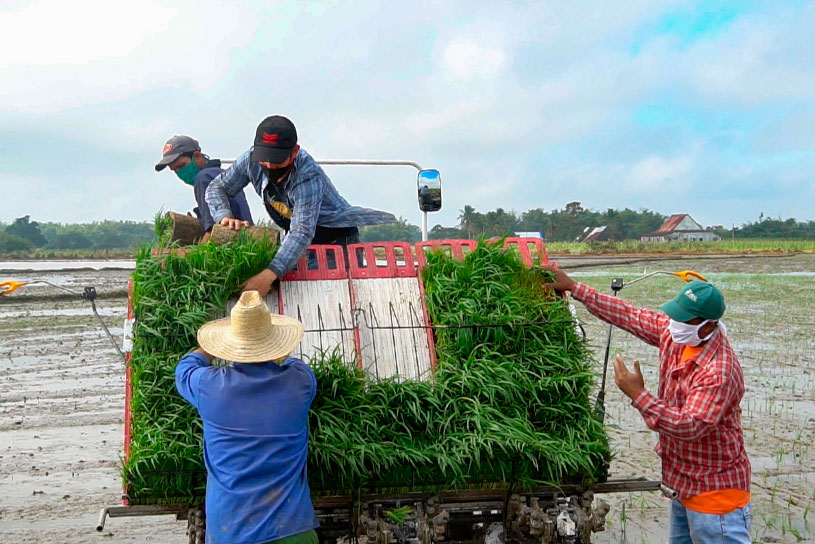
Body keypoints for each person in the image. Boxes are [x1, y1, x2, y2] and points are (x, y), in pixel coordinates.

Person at [543, 269, 751, 544]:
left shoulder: (718, 370)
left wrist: (638, 394)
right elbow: (630, 315)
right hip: (683, 487)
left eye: (683, 319)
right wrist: (575, 288)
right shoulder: (678, 336)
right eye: (674, 315)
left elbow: (689, 425)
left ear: (708, 326)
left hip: (715, 498)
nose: (674, 323)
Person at [175, 290, 318, 544]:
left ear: (231, 345)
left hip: (232, 534)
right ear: (275, 343)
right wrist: (273, 346)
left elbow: (184, 370)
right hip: (294, 531)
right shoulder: (300, 383)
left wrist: (211, 347)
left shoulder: (209, 387)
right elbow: (294, 363)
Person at [206, 115, 395, 296]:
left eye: (277, 160)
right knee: (295, 293)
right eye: (265, 159)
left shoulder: (307, 174)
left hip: (334, 239)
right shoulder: (250, 159)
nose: (270, 166)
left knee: (333, 297)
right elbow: (216, 187)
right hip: (297, 238)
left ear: (294, 151)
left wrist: (269, 274)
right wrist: (224, 217)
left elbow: (302, 231)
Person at [155, 135, 254, 242]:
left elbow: (212, 231)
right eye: (174, 170)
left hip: (233, 243)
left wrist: (193, 256)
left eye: (181, 166)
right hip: (247, 239)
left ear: (197, 156)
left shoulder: (203, 179)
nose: (180, 173)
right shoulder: (223, 175)